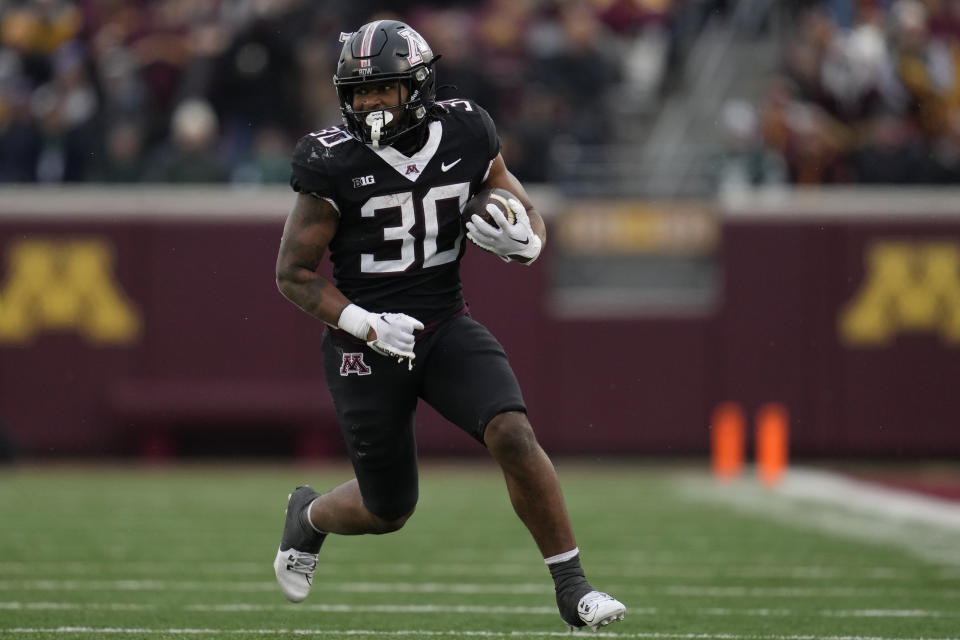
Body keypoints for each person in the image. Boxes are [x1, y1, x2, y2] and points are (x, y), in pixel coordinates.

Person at [272, 19, 626, 632]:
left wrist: (529, 243)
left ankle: (573, 587)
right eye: (357, 92)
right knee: (388, 509)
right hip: (365, 341)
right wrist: (365, 324)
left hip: (444, 322)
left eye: (382, 89)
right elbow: (293, 274)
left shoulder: (467, 129)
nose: (369, 103)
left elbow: (517, 201)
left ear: (418, 87)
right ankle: (308, 517)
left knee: (513, 433)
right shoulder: (329, 158)